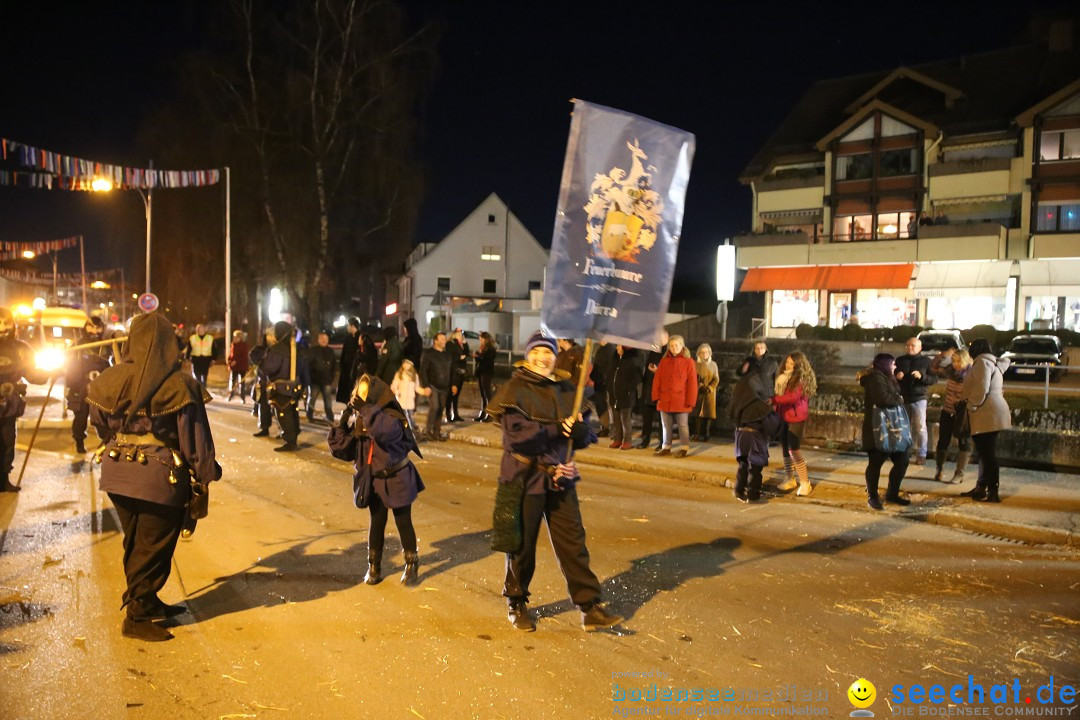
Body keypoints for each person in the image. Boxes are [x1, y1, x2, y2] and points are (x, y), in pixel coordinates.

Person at [86, 312, 221, 641]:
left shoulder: (110, 378)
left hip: (116, 472)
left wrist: (114, 441)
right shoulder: (180, 384)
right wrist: (206, 472)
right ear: (168, 344)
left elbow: (98, 420)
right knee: (152, 547)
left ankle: (145, 600)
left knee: (135, 543)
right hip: (160, 478)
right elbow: (195, 438)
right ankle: (137, 615)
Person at [488, 331, 622, 632]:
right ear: (527, 355)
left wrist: (579, 433)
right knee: (522, 546)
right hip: (525, 478)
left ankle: (589, 606)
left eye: (547, 352)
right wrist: (557, 431)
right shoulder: (514, 390)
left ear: (555, 356)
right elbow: (518, 439)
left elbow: (586, 433)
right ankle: (517, 601)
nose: (542, 358)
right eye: (536, 352)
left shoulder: (566, 390)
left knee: (573, 543)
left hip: (561, 478)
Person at [328, 374, 424, 586]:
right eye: (359, 395)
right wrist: (342, 427)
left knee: (403, 522)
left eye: (364, 395)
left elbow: (385, 432)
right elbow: (344, 450)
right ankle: (374, 566)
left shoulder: (391, 415)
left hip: (398, 478)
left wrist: (365, 410)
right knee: (376, 523)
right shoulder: (364, 418)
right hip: (375, 481)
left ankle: (411, 564)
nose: (360, 399)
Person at [0, 307, 49, 492]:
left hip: (8, 405)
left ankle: (4, 480)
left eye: (6, 322)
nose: (3, 327)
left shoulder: (19, 348)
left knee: (7, 443)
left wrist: (49, 372)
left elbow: (33, 375)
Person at [959, 339, 1011, 503]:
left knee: (987, 455)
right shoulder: (992, 362)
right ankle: (982, 487)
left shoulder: (982, 362)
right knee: (985, 453)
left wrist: (972, 406)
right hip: (993, 412)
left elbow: (982, 387)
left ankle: (992, 492)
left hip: (985, 413)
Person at [858, 353, 911, 510]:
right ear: (885, 364)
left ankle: (892, 493)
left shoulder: (887, 378)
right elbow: (882, 399)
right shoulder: (876, 379)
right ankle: (872, 496)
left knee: (903, 460)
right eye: (893, 364)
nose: (895, 366)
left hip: (891, 428)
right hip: (877, 428)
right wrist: (899, 399)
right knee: (876, 462)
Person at [727, 356, 780, 503]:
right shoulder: (757, 394)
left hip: (740, 433)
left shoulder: (741, 387)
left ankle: (739, 490)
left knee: (743, 463)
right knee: (755, 467)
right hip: (755, 435)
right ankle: (753, 493)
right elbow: (768, 420)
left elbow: (732, 411)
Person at [773, 351, 817, 496]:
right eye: (787, 362)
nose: (788, 365)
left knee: (794, 450)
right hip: (784, 416)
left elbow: (792, 398)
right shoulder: (783, 378)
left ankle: (805, 482)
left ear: (799, 365)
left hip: (796, 418)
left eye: (792, 363)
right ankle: (789, 478)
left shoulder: (800, 379)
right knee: (785, 449)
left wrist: (774, 400)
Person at [67, 316, 112, 454]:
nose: (94, 330)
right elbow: (71, 367)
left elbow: (110, 364)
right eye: (91, 326)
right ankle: (79, 441)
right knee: (81, 416)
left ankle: (106, 442)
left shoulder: (105, 345)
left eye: (97, 327)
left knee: (102, 416)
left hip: (99, 387)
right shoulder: (78, 345)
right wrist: (73, 386)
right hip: (81, 386)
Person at [930, 346, 972, 483]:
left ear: (965, 361)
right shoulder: (951, 372)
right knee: (943, 441)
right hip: (948, 411)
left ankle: (959, 474)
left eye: (958, 362)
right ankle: (939, 470)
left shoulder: (971, 375)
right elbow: (932, 369)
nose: (955, 365)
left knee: (964, 442)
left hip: (963, 413)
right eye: (953, 361)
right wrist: (942, 355)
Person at [652, 334, 697, 457]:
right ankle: (666, 447)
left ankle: (684, 448)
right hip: (665, 399)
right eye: (671, 345)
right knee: (666, 426)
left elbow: (692, 384)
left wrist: (691, 401)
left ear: (682, 346)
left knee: (683, 425)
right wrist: (656, 397)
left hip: (681, 400)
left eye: (676, 345)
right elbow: (657, 380)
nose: (674, 347)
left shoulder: (689, 362)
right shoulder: (664, 361)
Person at [894, 336, 936, 466]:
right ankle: (904, 452)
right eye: (908, 345)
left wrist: (921, 376)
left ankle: (921, 454)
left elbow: (934, 379)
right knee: (903, 427)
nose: (910, 348)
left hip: (919, 398)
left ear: (920, 348)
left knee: (920, 428)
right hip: (903, 397)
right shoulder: (900, 360)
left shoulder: (926, 361)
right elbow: (892, 375)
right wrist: (897, 376)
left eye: (913, 346)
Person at [261, 321, 302, 452]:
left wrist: (262, 362)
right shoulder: (295, 347)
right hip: (294, 386)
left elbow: (269, 367)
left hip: (282, 387)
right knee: (292, 412)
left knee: (284, 414)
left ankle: (290, 441)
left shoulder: (278, 349)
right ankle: (293, 437)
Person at [636, 330, 668, 449]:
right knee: (647, 418)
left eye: (659, 337)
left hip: (660, 391)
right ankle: (645, 440)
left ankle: (662, 443)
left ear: (666, 338)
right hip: (648, 388)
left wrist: (657, 371)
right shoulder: (653, 350)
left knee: (662, 420)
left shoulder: (667, 353)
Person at [419, 331, 452, 441]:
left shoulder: (447, 355)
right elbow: (423, 371)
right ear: (436, 341)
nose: (444, 341)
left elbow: (451, 369)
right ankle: (428, 431)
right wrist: (426, 385)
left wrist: (453, 384)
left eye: (445, 339)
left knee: (440, 409)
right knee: (435, 407)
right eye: (441, 339)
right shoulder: (429, 354)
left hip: (445, 386)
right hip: (433, 385)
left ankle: (436, 432)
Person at [609, 345, 643, 450]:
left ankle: (627, 441)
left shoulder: (631, 361)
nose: (618, 348)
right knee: (616, 419)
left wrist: (629, 390)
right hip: (614, 395)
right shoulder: (615, 360)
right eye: (617, 346)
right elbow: (610, 374)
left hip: (626, 395)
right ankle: (618, 439)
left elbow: (636, 378)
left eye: (620, 346)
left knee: (625, 419)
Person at [249, 328, 276, 438]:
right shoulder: (260, 350)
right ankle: (264, 427)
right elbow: (252, 356)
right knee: (263, 406)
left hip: (275, 382)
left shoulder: (278, 350)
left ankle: (282, 430)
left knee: (278, 407)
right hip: (263, 381)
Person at [306, 331, 337, 423]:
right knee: (312, 399)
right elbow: (308, 364)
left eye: (326, 339)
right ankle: (309, 415)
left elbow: (334, 365)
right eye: (322, 339)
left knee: (328, 400)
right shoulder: (313, 350)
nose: (324, 341)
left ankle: (330, 416)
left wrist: (332, 377)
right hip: (315, 380)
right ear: (319, 340)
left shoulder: (330, 351)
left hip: (326, 380)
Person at [692, 343, 719, 442]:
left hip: (709, 394)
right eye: (702, 352)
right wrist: (700, 385)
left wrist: (710, 388)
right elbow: (693, 377)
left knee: (708, 415)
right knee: (697, 415)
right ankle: (696, 434)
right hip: (698, 392)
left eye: (706, 352)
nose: (704, 354)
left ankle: (707, 434)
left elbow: (716, 379)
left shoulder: (713, 365)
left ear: (709, 353)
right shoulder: (695, 364)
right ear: (698, 353)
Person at [590, 342, 617, 437]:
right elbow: (597, 366)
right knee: (601, 406)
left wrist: (606, 379)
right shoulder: (600, 350)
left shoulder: (611, 349)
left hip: (606, 384)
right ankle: (605, 427)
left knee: (609, 406)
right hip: (599, 383)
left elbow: (610, 367)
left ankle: (613, 428)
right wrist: (593, 376)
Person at [391, 359, 421, 435]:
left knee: (411, 417)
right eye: (404, 363)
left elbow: (416, 388)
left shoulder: (414, 376)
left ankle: (413, 430)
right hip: (402, 399)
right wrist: (397, 392)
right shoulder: (399, 374)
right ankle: (407, 431)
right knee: (404, 416)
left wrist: (423, 391)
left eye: (407, 363)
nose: (405, 365)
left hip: (410, 400)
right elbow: (394, 385)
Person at [336, 317, 361, 404]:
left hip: (354, 369)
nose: (347, 327)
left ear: (352, 326)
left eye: (348, 325)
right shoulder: (348, 338)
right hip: (347, 368)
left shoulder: (360, 337)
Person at [444, 330, 467, 423]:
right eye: (458, 334)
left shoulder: (461, 344)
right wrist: (459, 358)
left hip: (460, 371)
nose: (460, 336)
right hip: (453, 371)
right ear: (453, 335)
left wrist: (465, 344)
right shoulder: (450, 344)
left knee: (457, 394)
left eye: (461, 335)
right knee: (450, 394)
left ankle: (456, 414)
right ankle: (448, 414)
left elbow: (466, 353)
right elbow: (450, 357)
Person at [474, 332, 497, 422]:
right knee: (483, 395)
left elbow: (487, 361)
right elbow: (481, 360)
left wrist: (479, 355)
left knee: (487, 394)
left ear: (486, 339)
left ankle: (490, 414)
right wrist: (478, 355)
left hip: (487, 373)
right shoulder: (483, 348)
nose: (480, 341)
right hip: (481, 372)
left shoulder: (491, 349)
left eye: (481, 339)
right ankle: (482, 413)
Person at [187, 323, 214, 387]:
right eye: (198, 329)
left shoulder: (210, 338)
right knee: (197, 375)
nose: (200, 331)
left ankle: (203, 387)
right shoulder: (192, 338)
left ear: (204, 330)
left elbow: (213, 349)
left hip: (206, 359)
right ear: (196, 330)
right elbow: (189, 349)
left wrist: (213, 359)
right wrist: (187, 357)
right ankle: (200, 387)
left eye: (201, 329)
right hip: (196, 359)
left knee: (204, 375)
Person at [226, 330, 250, 403]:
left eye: (237, 337)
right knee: (232, 381)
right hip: (234, 367)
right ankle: (231, 395)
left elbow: (244, 356)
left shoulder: (244, 345)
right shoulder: (233, 344)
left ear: (240, 338)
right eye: (234, 337)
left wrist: (236, 362)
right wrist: (229, 360)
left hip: (241, 366)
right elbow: (231, 354)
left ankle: (242, 397)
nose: (235, 338)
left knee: (241, 382)